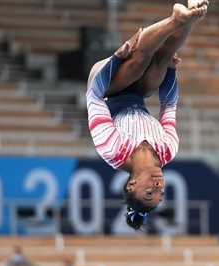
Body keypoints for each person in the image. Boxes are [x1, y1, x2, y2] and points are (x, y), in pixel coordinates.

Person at [86, 0, 209, 229]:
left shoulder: (112, 150)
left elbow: (93, 96)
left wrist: (116, 58)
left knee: (138, 62)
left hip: (106, 87)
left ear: (131, 185)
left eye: (150, 191)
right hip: (139, 94)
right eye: (161, 192)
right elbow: (169, 104)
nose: (159, 185)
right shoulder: (167, 150)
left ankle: (176, 20)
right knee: (162, 60)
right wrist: (171, 71)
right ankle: (191, 17)